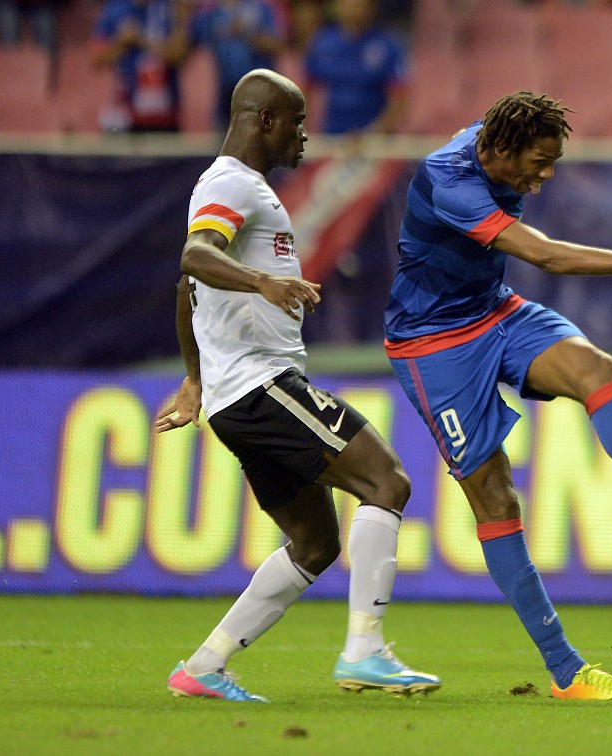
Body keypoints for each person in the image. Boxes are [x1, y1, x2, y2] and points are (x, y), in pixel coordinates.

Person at [384, 91, 612, 701]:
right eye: (538, 163)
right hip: (432, 344)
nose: (544, 178)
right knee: (495, 498)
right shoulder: (450, 180)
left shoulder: (495, 139)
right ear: (500, 149)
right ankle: (567, 671)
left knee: (596, 367)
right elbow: (546, 257)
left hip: (495, 312)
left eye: (552, 163)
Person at [156, 68, 440, 702]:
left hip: (234, 396)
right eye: (298, 121)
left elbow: (186, 290)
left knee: (314, 543)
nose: (306, 135)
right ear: (265, 121)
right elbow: (193, 258)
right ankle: (365, 652)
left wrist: (195, 378)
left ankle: (202, 668)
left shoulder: (242, 188)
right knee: (387, 482)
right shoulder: (233, 183)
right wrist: (263, 282)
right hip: (261, 385)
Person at [303, 0, 409, 135]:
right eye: (348, 3)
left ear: (370, 7)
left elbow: (400, 99)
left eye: (359, 4)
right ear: (337, 7)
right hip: (332, 134)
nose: (353, 9)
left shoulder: (387, 45)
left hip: (375, 136)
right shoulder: (322, 42)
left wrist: (374, 133)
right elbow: (303, 90)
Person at [186, 0, 287, 132]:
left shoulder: (260, 8)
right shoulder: (210, 13)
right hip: (226, 96)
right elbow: (187, 45)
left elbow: (277, 45)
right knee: (227, 138)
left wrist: (247, 32)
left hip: (258, 94)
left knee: (259, 138)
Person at [92, 0, 191, 133]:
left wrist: (142, 40)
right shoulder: (115, 9)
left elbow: (180, 54)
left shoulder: (170, 7)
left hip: (165, 114)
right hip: (127, 113)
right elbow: (96, 59)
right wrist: (120, 43)